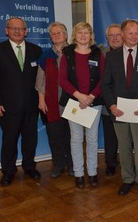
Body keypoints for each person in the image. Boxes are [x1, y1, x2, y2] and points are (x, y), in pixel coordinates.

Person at [101, 19, 138, 196]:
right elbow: (105, 85)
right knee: (124, 146)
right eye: (131, 33)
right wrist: (111, 105)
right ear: (123, 34)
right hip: (118, 111)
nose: (134, 36)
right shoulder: (111, 56)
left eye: (137, 33)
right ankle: (127, 179)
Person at [0, 17, 42, 186]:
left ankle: (29, 166)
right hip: (7, 106)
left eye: (21, 29)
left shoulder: (36, 50)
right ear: (7, 30)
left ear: (26, 31)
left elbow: (40, 79)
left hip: (31, 105)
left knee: (30, 138)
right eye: (13, 28)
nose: (17, 31)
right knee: (9, 140)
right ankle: (8, 170)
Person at [59, 22, 104, 189]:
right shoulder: (67, 54)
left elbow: (103, 79)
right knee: (76, 139)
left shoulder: (98, 54)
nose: (83, 35)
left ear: (91, 35)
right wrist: (79, 96)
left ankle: (92, 172)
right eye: (80, 32)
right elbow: (62, 79)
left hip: (94, 102)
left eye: (86, 32)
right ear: (74, 35)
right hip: (74, 103)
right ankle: (78, 173)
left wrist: (90, 97)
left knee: (92, 140)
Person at [36, 22, 73, 178]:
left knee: (72, 136)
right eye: (53, 33)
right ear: (50, 37)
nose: (56, 35)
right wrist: (41, 100)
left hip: (73, 103)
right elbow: (40, 81)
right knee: (55, 136)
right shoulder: (45, 56)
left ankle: (73, 164)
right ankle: (58, 164)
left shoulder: (75, 52)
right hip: (52, 103)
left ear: (66, 35)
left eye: (60, 32)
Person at [100, 23, 123, 176]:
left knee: (128, 136)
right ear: (107, 38)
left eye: (117, 35)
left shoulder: (130, 53)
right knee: (110, 136)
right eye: (111, 36)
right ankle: (111, 163)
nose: (114, 38)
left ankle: (128, 161)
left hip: (127, 102)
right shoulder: (101, 54)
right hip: (107, 102)